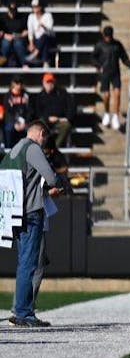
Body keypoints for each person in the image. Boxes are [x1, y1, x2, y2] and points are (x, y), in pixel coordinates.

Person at [6, 120, 72, 327]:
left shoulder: (15, 148)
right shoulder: (33, 148)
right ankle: (24, 312)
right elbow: (51, 178)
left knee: (23, 262)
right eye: (45, 139)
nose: (44, 144)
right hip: (32, 211)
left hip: (16, 211)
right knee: (29, 263)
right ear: (41, 133)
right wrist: (58, 185)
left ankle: (20, 309)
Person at [93, 26, 130, 131]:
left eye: (109, 36)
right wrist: (99, 66)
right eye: (106, 36)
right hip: (105, 73)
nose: (108, 38)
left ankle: (115, 116)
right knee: (106, 96)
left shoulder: (117, 45)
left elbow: (124, 58)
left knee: (117, 93)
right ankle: (107, 113)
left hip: (115, 72)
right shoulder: (99, 45)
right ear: (104, 36)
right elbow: (93, 57)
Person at [32, 73, 75, 148]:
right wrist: (47, 118)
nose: (49, 84)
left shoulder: (62, 93)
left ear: (54, 82)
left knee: (67, 125)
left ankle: (54, 147)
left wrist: (66, 118)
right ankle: (43, 146)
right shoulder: (40, 96)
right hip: (45, 121)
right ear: (43, 83)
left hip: (60, 121)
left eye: (51, 82)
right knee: (40, 126)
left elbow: (71, 106)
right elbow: (37, 112)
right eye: (47, 82)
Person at [26, 0, 54, 66]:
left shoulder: (48, 15)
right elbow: (30, 31)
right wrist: (31, 43)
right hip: (38, 40)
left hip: (49, 38)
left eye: (36, 6)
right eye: (33, 7)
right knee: (44, 43)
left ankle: (36, 54)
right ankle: (45, 63)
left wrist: (43, 26)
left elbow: (50, 30)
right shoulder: (31, 17)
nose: (34, 8)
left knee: (45, 36)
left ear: (40, 7)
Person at [3, 76, 29, 149]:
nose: (18, 85)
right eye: (16, 83)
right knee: (8, 128)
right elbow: (7, 112)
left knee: (32, 130)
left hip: (24, 121)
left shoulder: (26, 95)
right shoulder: (7, 96)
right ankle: (8, 152)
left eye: (20, 83)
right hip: (12, 121)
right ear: (12, 84)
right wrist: (15, 123)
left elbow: (30, 111)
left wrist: (25, 122)